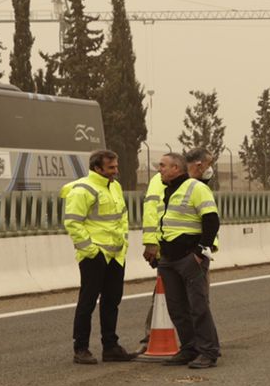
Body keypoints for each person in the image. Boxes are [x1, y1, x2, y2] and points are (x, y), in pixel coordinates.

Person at [141, 150, 221, 369]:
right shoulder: (167, 190)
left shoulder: (197, 188)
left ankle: (208, 351)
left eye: (163, 165)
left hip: (188, 257)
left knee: (198, 306)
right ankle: (189, 348)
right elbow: (163, 222)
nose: (160, 169)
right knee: (176, 307)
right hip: (168, 259)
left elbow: (211, 220)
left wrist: (200, 251)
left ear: (176, 168)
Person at [61, 149, 133, 364]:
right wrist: (91, 250)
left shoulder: (115, 186)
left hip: (116, 254)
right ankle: (80, 348)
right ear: (97, 168)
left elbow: (122, 218)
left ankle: (110, 347)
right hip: (95, 254)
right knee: (88, 301)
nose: (116, 171)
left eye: (116, 166)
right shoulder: (82, 190)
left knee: (112, 301)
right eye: (111, 168)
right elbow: (73, 222)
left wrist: (123, 244)